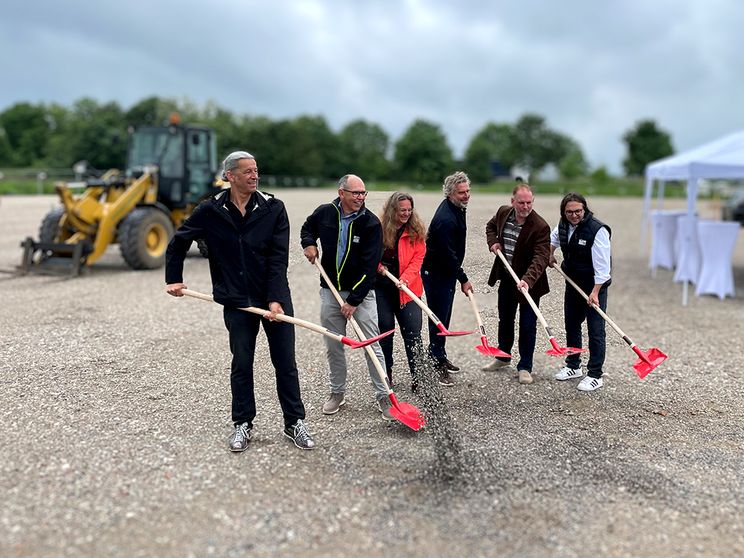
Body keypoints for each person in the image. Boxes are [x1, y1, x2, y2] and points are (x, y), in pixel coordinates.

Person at [164, 151, 315, 452]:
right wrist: (174, 278)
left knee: (285, 362)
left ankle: (294, 422)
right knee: (242, 363)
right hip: (235, 300)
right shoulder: (210, 210)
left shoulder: (273, 208)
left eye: (256, 170)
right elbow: (179, 241)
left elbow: (277, 259)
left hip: (274, 298)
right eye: (247, 171)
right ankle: (242, 424)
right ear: (230, 176)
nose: (254, 175)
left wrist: (274, 300)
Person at [300, 175, 393, 420]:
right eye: (356, 193)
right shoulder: (325, 213)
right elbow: (307, 228)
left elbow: (370, 266)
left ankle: (384, 396)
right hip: (330, 292)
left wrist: (353, 300)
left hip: (361, 294)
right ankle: (337, 393)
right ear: (342, 193)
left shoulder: (370, 223)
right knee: (333, 345)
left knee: (372, 345)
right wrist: (309, 244)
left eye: (363, 193)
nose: (360, 198)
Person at [483, 181, 550, 385]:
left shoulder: (540, 226)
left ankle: (525, 366)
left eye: (529, 202)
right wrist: (493, 242)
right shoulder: (503, 213)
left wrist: (527, 280)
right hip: (507, 278)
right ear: (513, 201)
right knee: (505, 319)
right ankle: (503, 357)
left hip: (530, 283)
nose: (525, 207)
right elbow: (490, 226)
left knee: (528, 325)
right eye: (521, 203)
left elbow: (541, 258)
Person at [549, 192, 612, 392]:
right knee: (572, 324)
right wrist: (550, 254)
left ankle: (595, 374)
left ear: (584, 210)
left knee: (595, 330)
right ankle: (573, 365)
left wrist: (595, 292)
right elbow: (553, 240)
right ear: (564, 212)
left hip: (595, 286)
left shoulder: (597, 230)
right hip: (573, 282)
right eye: (570, 212)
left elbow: (603, 269)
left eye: (578, 211)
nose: (574, 215)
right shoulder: (562, 226)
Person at [421, 171, 473, 387]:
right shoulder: (445, 219)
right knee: (438, 319)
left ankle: (439, 355)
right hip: (436, 273)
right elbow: (447, 254)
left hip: (445, 273)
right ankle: (435, 363)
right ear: (450, 193)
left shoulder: (457, 209)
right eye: (462, 192)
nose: (466, 195)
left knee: (443, 317)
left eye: (468, 191)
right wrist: (464, 278)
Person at [374, 192, 426, 392]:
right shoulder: (378, 228)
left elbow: (418, 259)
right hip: (382, 288)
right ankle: (386, 377)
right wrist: (377, 266)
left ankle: (418, 377)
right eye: (402, 210)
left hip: (407, 288)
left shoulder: (415, 230)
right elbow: (368, 254)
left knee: (413, 334)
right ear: (392, 210)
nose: (406, 214)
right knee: (385, 333)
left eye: (409, 210)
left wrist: (406, 278)